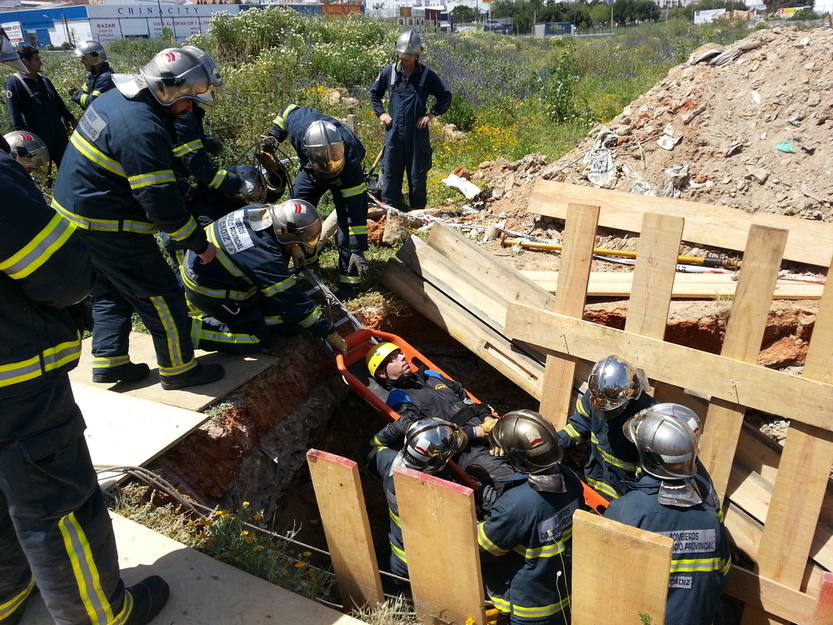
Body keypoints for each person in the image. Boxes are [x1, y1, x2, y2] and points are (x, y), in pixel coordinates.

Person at [0, 102, 169, 623]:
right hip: (15, 381)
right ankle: (99, 616)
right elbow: (63, 274)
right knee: (56, 504)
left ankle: (5, 597)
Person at [51, 47, 225, 389]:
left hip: (75, 218)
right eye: (189, 100)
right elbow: (161, 203)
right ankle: (179, 371)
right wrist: (198, 244)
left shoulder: (118, 100)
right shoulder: (141, 129)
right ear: (170, 91)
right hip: (107, 225)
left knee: (109, 293)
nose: (191, 108)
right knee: (162, 294)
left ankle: (109, 361)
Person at [604, 403, 730, 625]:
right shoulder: (709, 518)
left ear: (648, 457)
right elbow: (722, 571)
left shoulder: (627, 512)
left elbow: (602, 580)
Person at [181, 199, 347, 354]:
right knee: (257, 338)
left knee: (280, 317)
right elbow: (290, 298)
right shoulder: (264, 258)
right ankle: (192, 332)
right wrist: (327, 332)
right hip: (209, 291)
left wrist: (292, 247)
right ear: (285, 232)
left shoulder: (261, 211)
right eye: (297, 242)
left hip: (202, 267)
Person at [365, 341, 516, 494]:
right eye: (393, 358)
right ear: (382, 373)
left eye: (399, 353)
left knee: (531, 451)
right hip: (465, 451)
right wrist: (475, 432)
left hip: (491, 430)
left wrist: (487, 419)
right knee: (508, 482)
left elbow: (467, 400)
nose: (402, 357)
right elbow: (428, 438)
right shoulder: (398, 398)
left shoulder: (431, 375)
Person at [477, 410, 583, 625]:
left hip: (529, 609)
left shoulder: (517, 503)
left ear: (517, 458)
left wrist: (488, 513)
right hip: (564, 596)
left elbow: (482, 549)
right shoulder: (570, 479)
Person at [260, 105, 369, 298]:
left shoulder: (351, 160)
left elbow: (354, 215)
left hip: (344, 175)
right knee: (292, 216)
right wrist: (273, 135)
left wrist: (356, 249)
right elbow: (287, 111)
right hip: (312, 172)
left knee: (346, 223)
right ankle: (304, 262)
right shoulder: (299, 124)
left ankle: (349, 282)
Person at [367, 417, 467, 580]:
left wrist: (392, 430)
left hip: (398, 552)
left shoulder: (390, 464)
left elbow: (370, 450)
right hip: (418, 564)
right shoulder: (438, 494)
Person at [369, 30, 451, 212]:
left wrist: (431, 115)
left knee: (417, 178)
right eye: (404, 56)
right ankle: (391, 213)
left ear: (417, 55)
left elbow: (445, 97)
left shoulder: (427, 75)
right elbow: (374, 93)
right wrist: (381, 113)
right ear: (398, 53)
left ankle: (419, 215)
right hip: (394, 134)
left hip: (417, 136)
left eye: (411, 57)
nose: (407, 60)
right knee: (390, 176)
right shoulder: (388, 73)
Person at [557, 354, 656, 501]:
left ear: (630, 396)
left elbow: (649, 470)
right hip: (596, 483)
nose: (604, 410)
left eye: (610, 407)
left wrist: (635, 502)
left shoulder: (647, 417)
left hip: (625, 495)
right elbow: (580, 423)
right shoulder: (597, 395)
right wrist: (554, 444)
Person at [5, 45, 75, 167]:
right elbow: (16, 116)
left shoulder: (44, 80)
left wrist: (71, 119)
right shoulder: (15, 83)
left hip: (58, 135)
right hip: (39, 140)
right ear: (25, 62)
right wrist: (23, 143)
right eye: (36, 59)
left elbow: (59, 103)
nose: (40, 63)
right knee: (45, 174)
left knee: (67, 168)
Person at [69, 40, 115, 111]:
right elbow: (85, 92)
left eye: (84, 58)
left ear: (93, 58)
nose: (81, 61)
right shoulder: (94, 75)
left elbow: (93, 102)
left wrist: (75, 94)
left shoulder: (106, 77)